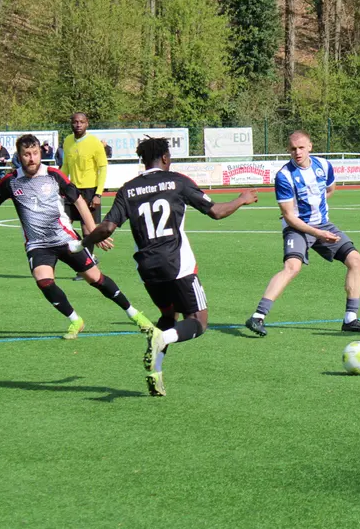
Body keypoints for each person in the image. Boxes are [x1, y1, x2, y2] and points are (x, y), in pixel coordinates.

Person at [82, 137, 258, 397]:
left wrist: (83, 242)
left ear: (144, 160)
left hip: (147, 269)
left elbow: (107, 227)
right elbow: (216, 212)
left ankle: (156, 373)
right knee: (198, 322)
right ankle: (162, 338)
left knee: (167, 317)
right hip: (178, 266)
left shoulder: (128, 189)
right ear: (165, 158)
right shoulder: (177, 181)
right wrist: (241, 199)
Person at [0, 133, 149, 339]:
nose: (32, 158)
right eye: (26, 154)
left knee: (95, 279)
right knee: (43, 280)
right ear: (19, 156)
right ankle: (75, 320)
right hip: (37, 244)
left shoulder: (54, 175)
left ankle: (134, 315)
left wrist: (93, 231)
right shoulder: (10, 181)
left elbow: (79, 201)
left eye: (35, 153)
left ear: (40, 153)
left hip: (65, 240)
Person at [245, 131, 360, 336]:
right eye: (293, 149)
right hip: (297, 228)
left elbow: (330, 189)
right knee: (292, 267)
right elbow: (288, 216)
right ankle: (257, 316)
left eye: (301, 147)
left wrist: (319, 216)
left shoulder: (323, 166)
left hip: (323, 224)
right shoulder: (284, 176)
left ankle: (350, 319)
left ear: (310, 147)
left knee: (356, 260)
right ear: (288, 150)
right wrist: (317, 233)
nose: (297, 152)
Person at [60, 112, 108, 271]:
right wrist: (59, 185)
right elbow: (65, 166)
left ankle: (87, 265)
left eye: (81, 122)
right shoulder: (67, 141)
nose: (78, 125)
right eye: (75, 122)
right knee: (63, 224)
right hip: (71, 190)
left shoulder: (94, 142)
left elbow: (103, 168)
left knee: (88, 229)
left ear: (87, 124)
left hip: (90, 190)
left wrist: (98, 194)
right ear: (71, 124)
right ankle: (89, 256)